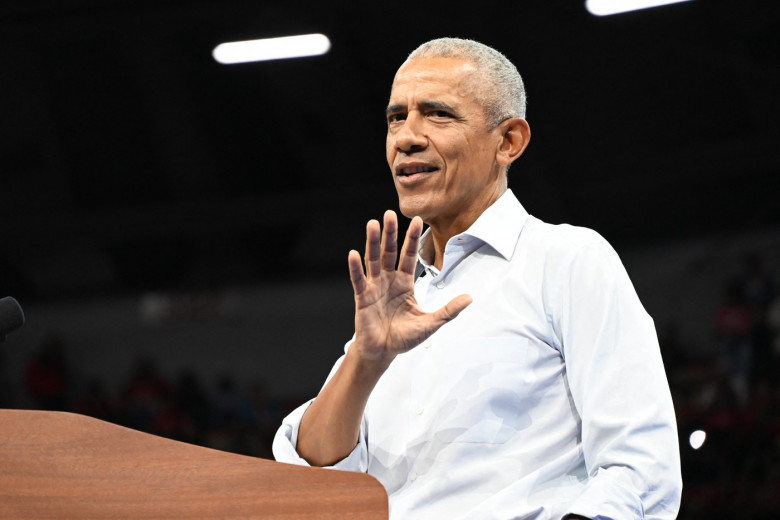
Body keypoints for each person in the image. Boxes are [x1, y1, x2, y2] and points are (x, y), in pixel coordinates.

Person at [273, 37, 682, 519]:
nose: (406, 136)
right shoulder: (397, 298)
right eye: (395, 117)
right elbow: (313, 475)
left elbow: (639, 470)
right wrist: (365, 358)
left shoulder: (567, 259)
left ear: (508, 141)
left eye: (438, 114)